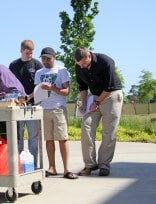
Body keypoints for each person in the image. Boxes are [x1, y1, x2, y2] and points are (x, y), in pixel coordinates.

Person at [74, 47, 123, 176]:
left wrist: (97, 103)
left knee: (109, 131)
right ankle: (89, 165)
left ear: (89, 56)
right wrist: (84, 104)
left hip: (111, 96)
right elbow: (82, 87)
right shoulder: (79, 66)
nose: (82, 67)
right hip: (94, 96)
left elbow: (109, 86)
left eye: (84, 63)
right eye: (79, 65)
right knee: (86, 126)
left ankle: (104, 165)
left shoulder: (105, 61)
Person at [34, 47, 78, 179]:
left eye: (48, 58)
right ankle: (52, 167)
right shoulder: (38, 72)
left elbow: (66, 91)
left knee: (62, 138)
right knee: (49, 139)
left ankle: (66, 169)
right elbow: (37, 91)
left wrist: (52, 87)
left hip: (59, 108)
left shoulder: (61, 70)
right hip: (45, 108)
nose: (46, 61)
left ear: (55, 57)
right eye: (43, 59)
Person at [9, 40, 43, 167]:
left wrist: (30, 96)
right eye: (27, 52)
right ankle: (17, 164)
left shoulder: (37, 64)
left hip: (32, 105)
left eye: (31, 53)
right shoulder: (13, 65)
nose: (29, 55)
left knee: (33, 136)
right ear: (21, 50)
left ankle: (33, 164)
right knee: (18, 136)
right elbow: (10, 84)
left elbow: (40, 85)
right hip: (17, 105)